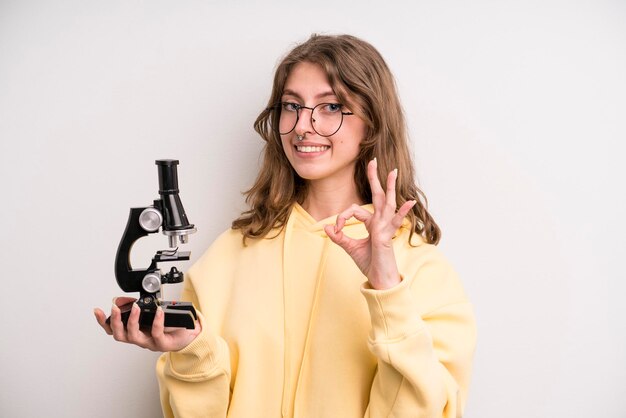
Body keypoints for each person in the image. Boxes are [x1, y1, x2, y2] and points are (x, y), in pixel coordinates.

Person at [95, 33, 476, 418]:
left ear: (372, 124)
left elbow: (424, 409)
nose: (302, 126)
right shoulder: (229, 255)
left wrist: (387, 291)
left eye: (330, 107)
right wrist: (192, 352)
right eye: (292, 106)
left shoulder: (422, 269)